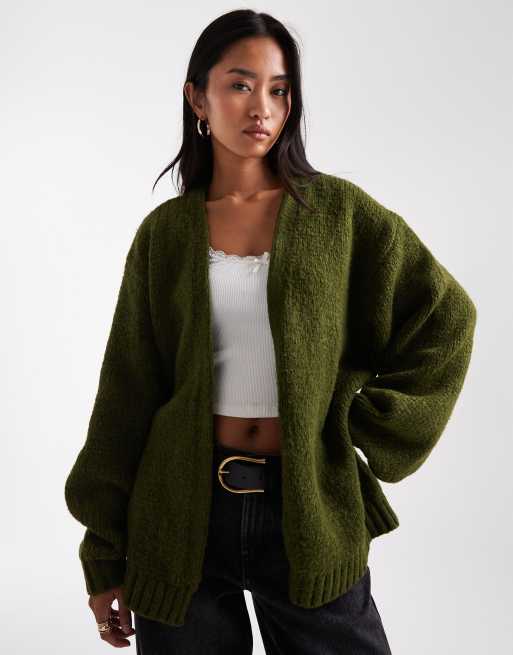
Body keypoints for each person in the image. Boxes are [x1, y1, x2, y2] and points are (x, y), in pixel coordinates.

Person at [64, 9, 477, 654]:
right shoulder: (164, 235)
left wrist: (364, 423)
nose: (262, 107)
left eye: (279, 90)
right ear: (197, 98)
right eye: (240, 84)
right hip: (179, 516)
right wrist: (104, 554)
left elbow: (446, 318)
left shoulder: (339, 214)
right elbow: (126, 395)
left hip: (308, 508)